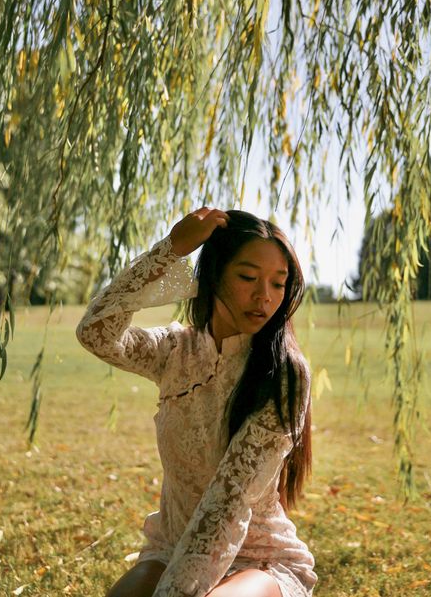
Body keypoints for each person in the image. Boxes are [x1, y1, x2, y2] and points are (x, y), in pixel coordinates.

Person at [76, 207, 317, 597]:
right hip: (172, 548)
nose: (264, 296)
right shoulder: (175, 350)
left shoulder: (285, 374)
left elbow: (227, 508)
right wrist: (170, 250)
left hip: (257, 560)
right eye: (247, 277)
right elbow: (96, 332)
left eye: (279, 283)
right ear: (214, 274)